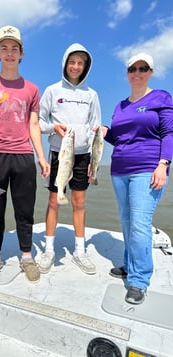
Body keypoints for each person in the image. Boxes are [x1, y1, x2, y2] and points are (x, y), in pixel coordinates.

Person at [0, 25, 50, 284]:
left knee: (24, 210)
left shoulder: (32, 89)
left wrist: (40, 156)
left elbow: (33, 125)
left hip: (23, 156)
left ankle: (26, 255)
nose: (9, 53)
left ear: (21, 54)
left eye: (14, 49)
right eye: (4, 48)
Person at [102, 53, 173, 304]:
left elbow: (169, 132)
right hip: (119, 168)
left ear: (151, 72)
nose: (138, 72)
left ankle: (139, 280)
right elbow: (119, 138)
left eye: (143, 68)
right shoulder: (120, 105)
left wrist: (163, 165)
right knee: (126, 221)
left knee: (140, 223)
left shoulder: (161, 97)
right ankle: (130, 264)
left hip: (147, 168)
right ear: (128, 73)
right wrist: (104, 132)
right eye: (133, 68)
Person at [38, 43, 101, 275]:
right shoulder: (52, 91)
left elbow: (95, 129)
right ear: (65, 63)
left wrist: (95, 163)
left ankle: (79, 251)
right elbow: (39, 122)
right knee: (54, 201)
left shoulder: (91, 95)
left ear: (85, 67)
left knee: (79, 203)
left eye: (80, 63)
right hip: (60, 153)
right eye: (72, 61)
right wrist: (54, 127)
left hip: (83, 155)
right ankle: (49, 250)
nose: (75, 66)